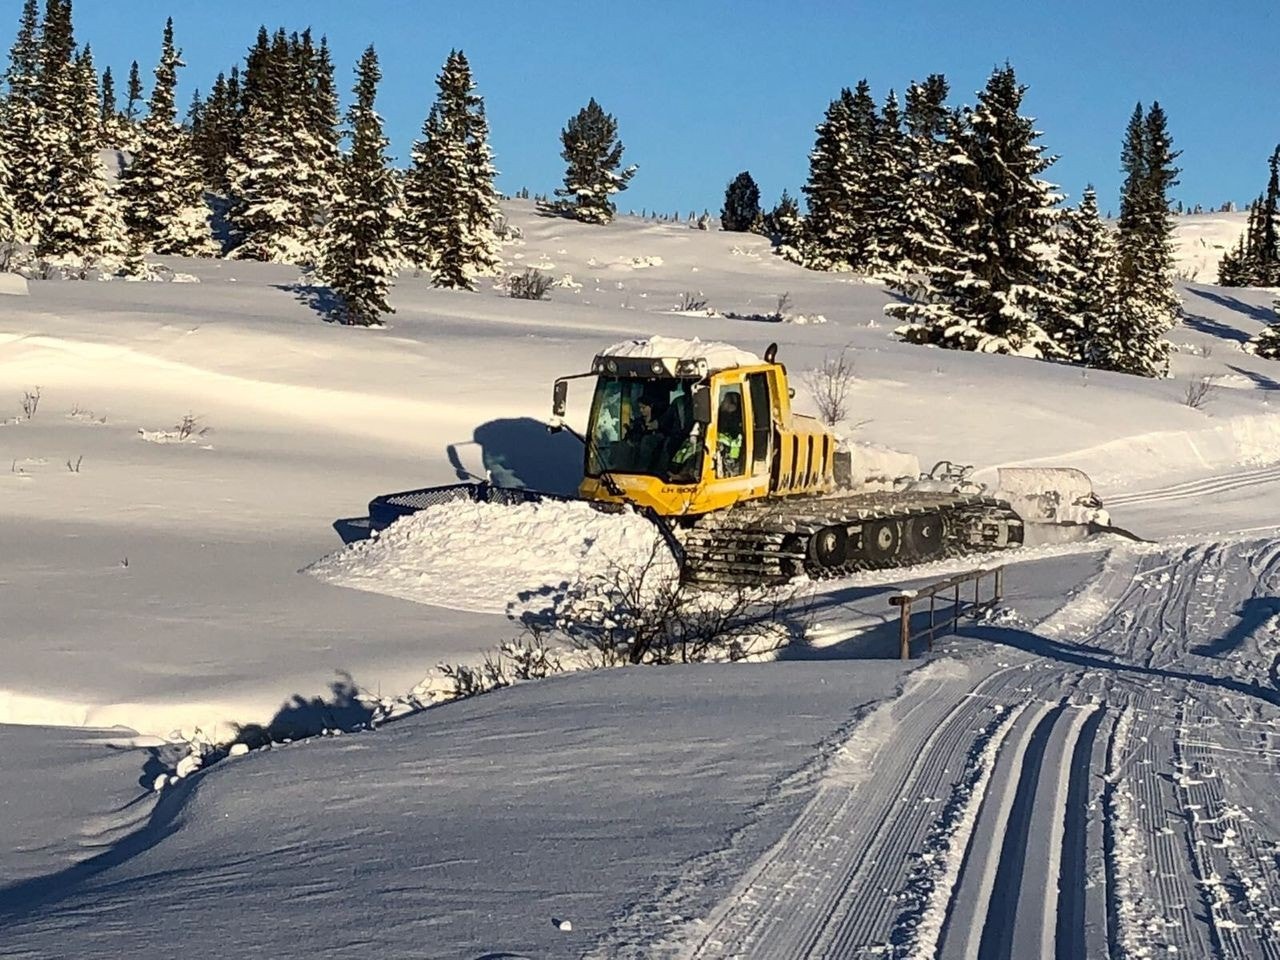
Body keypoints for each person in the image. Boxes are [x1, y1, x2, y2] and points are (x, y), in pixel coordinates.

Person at [716, 390, 744, 476]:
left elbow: (735, 441)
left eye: (725, 400)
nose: (722, 403)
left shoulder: (738, 421)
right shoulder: (721, 415)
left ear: (733, 406)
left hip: (731, 457)